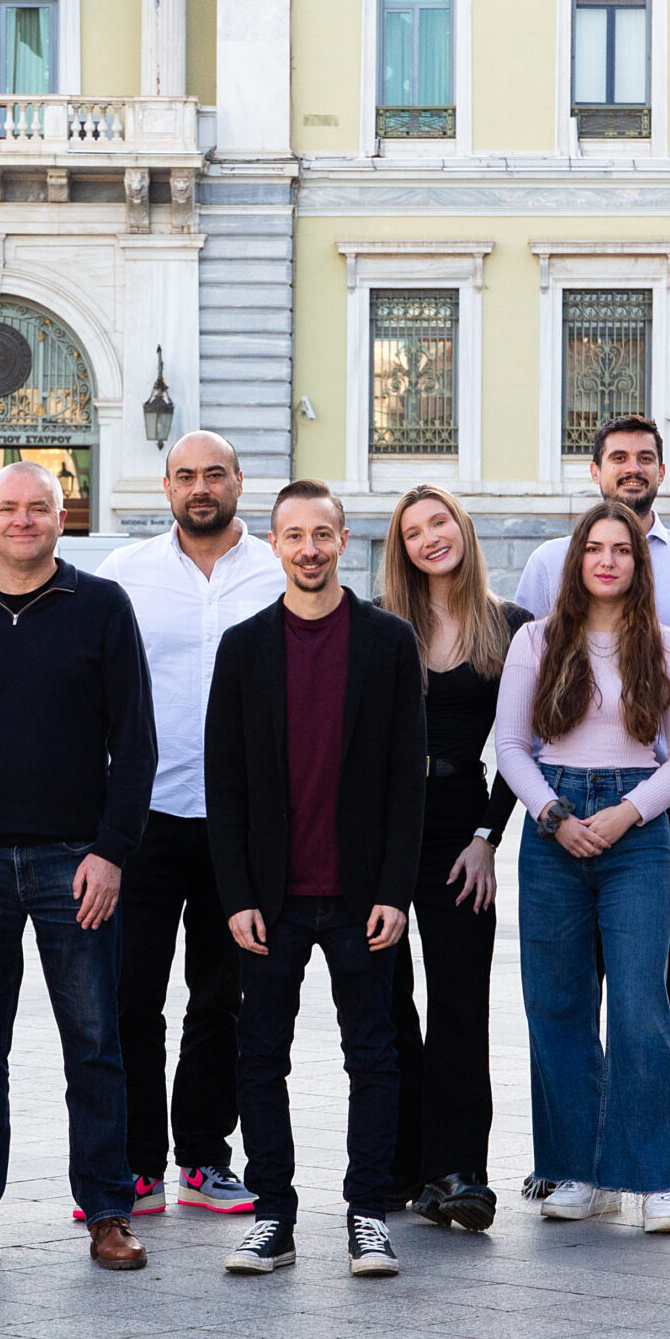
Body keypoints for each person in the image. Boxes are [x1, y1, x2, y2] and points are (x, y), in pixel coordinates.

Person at [0, 461, 157, 1270]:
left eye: (39, 508)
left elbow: (138, 741)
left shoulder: (102, 606)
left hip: (74, 861)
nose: (23, 520)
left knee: (93, 1041)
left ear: (63, 519)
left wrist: (112, 852)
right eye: (8, 508)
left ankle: (108, 1210)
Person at [515, 415, 670, 1197]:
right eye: (619, 457)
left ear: (662, 468)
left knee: (658, 983)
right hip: (561, 809)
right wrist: (549, 813)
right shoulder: (547, 571)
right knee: (564, 990)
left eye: (646, 457)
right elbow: (521, 720)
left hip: (665, 802)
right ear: (595, 471)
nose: (633, 468)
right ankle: (574, 1162)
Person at [208, 481, 426, 1277]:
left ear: (343, 541)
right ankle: (273, 1216)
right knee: (260, 1056)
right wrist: (235, 895)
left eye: (322, 534)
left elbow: (410, 777)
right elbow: (222, 779)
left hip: (361, 894)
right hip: (270, 899)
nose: (308, 548)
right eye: (293, 534)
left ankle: (368, 1211)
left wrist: (395, 890)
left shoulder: (386, 642)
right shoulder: (244, 647)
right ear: (273, 544)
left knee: (373, 1054)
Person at [496, 503, 670, 1234]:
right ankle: (577, 1168)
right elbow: (513, 746)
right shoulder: (536, 641)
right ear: (576, 560)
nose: (609, 560)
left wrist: (627, 813)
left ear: (638, 563)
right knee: (556, 1003)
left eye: (623, 549)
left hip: (637, 832)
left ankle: (651, 1177)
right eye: (596, 548)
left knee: (641, 1006)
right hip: (553, 826)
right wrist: (554, 815)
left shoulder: (669, 646)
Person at [98, 431, 284, 1220]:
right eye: (185, 476)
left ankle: (204, 1156)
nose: (200, 487)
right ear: (164, 487)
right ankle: (137, 1164)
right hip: (142, 816)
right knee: (130, 996)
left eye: (215, 472)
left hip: (241, 825)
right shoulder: (122, 576)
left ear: (240, 480)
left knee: (222, 997)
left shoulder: (282, 571)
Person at [379, 485, 528, 1232]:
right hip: (380, 825)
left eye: (440, 522)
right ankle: (404, 1163)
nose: (430, 537)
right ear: (400, 548)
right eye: (414, 531)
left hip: (461, 826)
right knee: (387, 999)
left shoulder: (512, 627)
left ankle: (460, 1171)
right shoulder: (378, 627)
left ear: (462, 528)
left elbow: (524, 750)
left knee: (462, 1002)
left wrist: (488, 837)